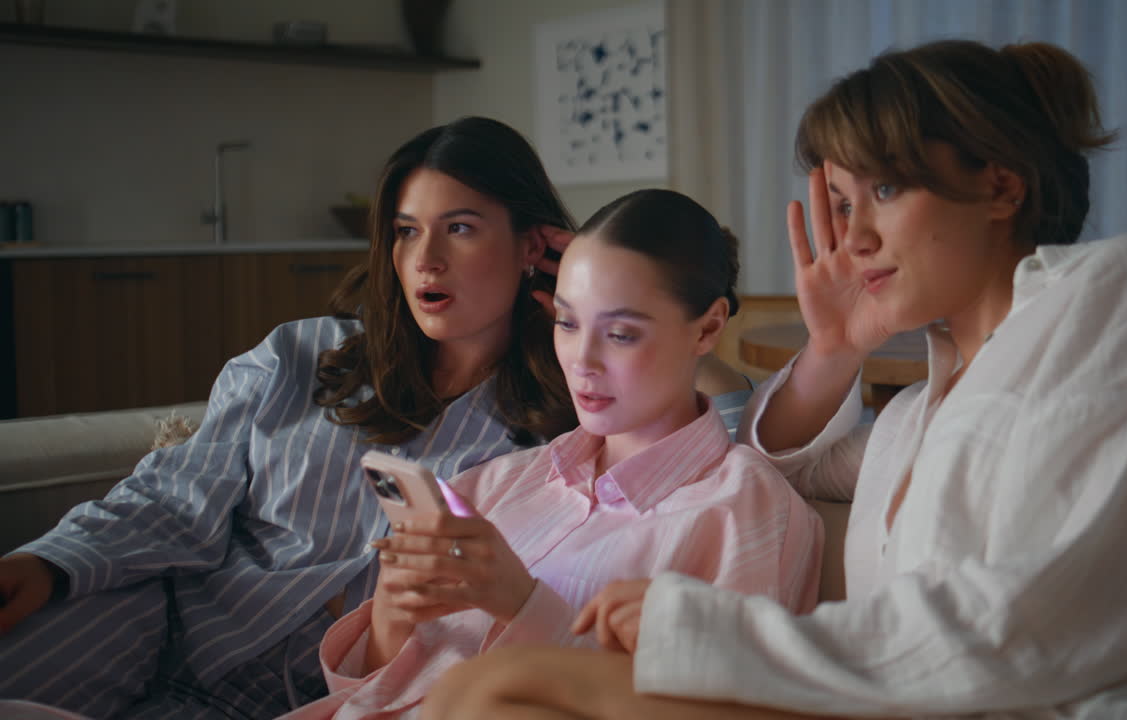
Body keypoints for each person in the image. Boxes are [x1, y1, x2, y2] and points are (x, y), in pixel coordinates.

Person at [420, 40, 1127, 719]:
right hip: (894, 706)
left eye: (886, 188)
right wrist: (834, 346)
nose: (853, 235)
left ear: (1000, 187)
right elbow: (775, 467)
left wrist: (712, 632)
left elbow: (1047, 625)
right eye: (839, 202)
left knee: (500, 692)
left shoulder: (1124, 289)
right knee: (483, 691)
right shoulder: (916, 414)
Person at [0, 117, 752, 719]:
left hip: (333, 694)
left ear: (532, 244)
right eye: (406, 230)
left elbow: (724, 428)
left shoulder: (570, 423)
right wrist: (48, 562)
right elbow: (172, 496)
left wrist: (597, 281)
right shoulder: (299, 358)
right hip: (165, 634)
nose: (426, 259)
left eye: (460, 228)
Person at [274, 188, 822, 719]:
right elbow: (371, 692)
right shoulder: (495, 484)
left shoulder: (744, 512)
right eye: (567, 322)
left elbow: (728, 709)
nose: (582, 360)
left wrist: (526, 605)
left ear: (708, 328)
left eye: (621, 333)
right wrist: (391, 620)